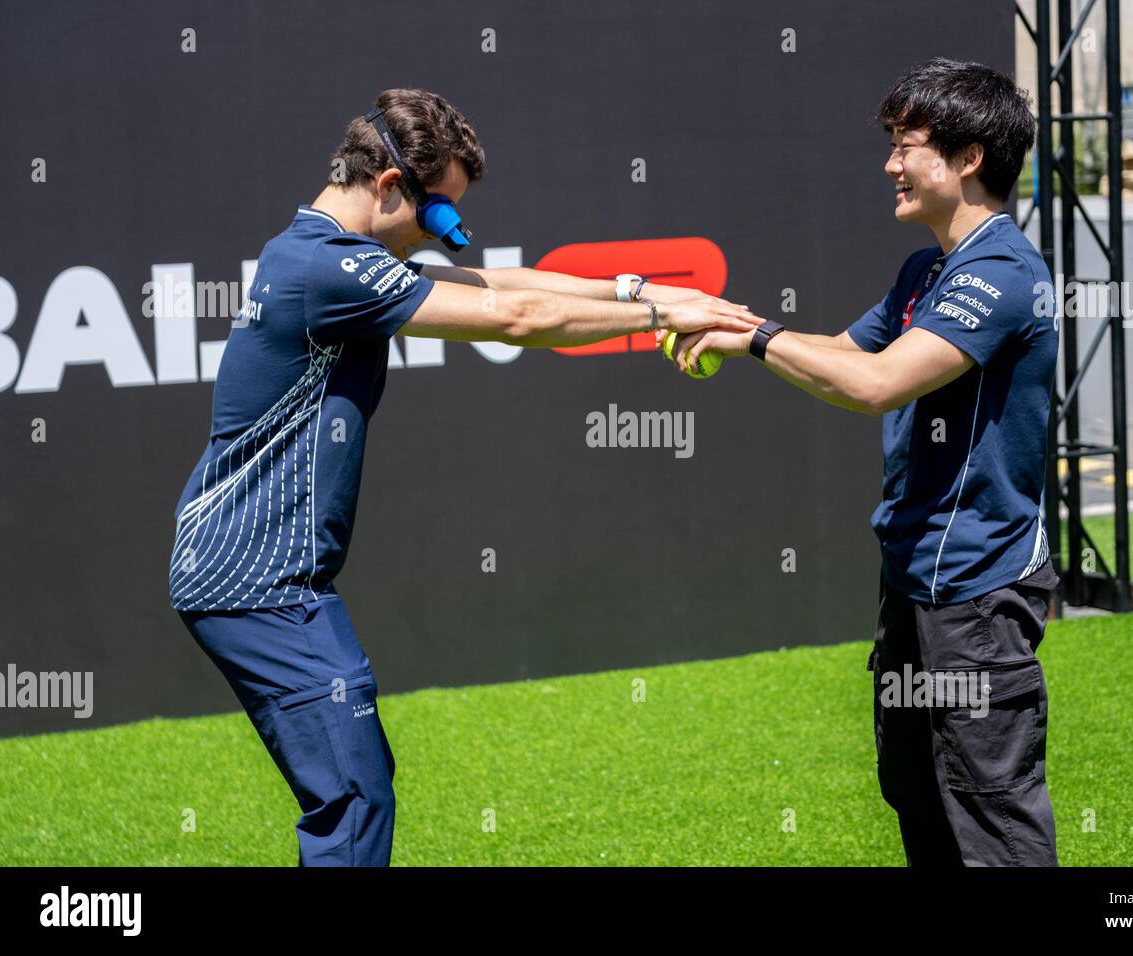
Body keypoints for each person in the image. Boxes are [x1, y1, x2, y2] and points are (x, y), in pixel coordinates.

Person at [168, 87, 760, 866]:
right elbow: (517, 323)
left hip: (257, 576)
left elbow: (504, 288)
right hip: (255, 579)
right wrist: (663, 321)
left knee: (357, 783)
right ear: (387, 186)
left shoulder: (323, 253)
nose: (444, 236)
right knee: (353, 795)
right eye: (438, 216)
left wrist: (653, 293)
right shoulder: (324, 268)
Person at [667, 58, 1061, 866]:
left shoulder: (1001, 271)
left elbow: (876, 383)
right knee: (916, 790)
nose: (890, 164)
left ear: (968, 157)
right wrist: (736, 325)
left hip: (977, 591)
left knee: (991, 818)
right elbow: (842, 351)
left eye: (906, 145)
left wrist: (757, 340)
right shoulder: (927, 269)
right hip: (913, 580)